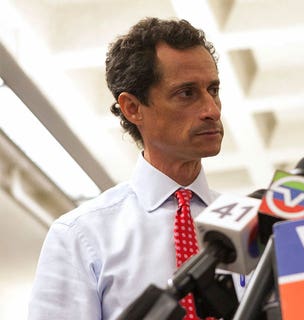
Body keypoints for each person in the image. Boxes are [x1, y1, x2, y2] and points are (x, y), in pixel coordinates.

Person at [28, 18, 235, 319]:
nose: (212, 110)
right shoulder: (81, 236)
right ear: (132, 108)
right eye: (187, 93)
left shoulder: (255, 226)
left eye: (213, 89)